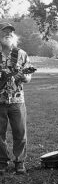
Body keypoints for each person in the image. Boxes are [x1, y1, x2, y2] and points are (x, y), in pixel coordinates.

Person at [0, 22, 32, 175]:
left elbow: (28, 75)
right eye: (5, 32)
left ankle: (19, 161)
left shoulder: (21, 54)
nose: (8, 34)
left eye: (10, 32)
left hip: (17, 100)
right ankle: (2, 161)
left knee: (20, 132)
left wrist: (24, 77)